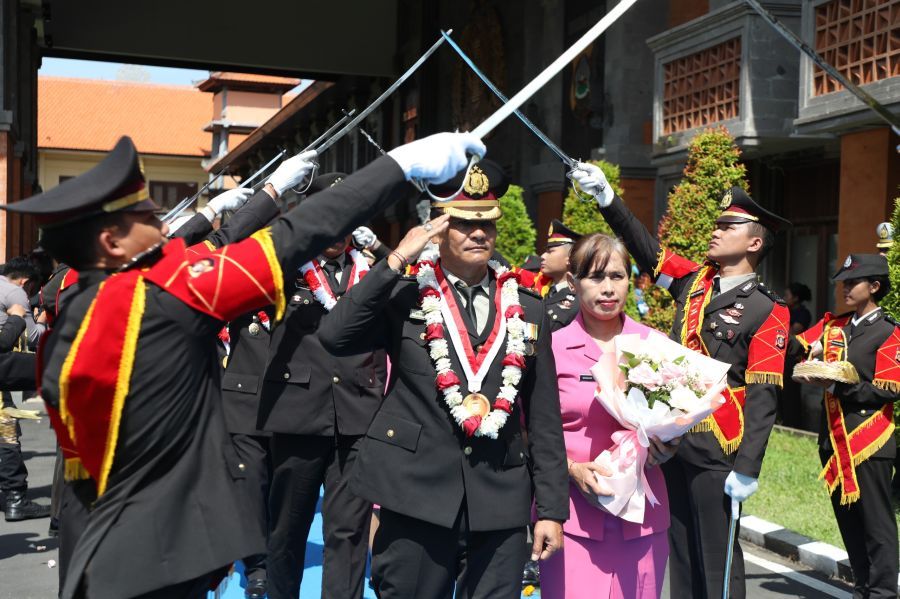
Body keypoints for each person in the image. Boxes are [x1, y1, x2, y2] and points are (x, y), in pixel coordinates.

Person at [4, 131, 482, 599]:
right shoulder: (160, 297)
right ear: (111, 242)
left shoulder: (77, 315)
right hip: (158, 557)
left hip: (97, 549)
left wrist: (272, 193)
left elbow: (213, 249)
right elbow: (293, 237)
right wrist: (400, 165)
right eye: (148, 218)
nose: (165, 226)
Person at [318, 158, 569, 599]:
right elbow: (336, 335)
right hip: (415, 494)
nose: (479, 234)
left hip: (499, 498)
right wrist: (397, 258)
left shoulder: (528, 308)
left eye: (487, 225)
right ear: (436, 228)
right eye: (464, 224)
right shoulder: (404, 294)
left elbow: (544, 417)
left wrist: (550, 510)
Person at [573, 164, 791, 599]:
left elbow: (764, 395)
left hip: (719, 447)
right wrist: (606, 198)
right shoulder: (693, 283)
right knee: (682, 557)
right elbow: (645, 249)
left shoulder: (769, 310)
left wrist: (748, 468)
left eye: (728, 225)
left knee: (717, 562)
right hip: (672, 441)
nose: (716, 230)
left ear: (754, 241)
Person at [253, 172, 392, 599]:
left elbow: (419, 284)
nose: (338, 230)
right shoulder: (287, 267)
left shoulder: (372, 270)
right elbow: (250, 262)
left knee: (348, 533)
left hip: (357, 415)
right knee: (287, 528)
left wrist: (384, 250)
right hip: (298, 415)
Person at [541, 232, 677, 599]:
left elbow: (676, 417)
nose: (607, 288)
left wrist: (669, 446)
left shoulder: (654, 345)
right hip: (571, 516)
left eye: (617, 277)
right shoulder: (550, 349)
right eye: (596, 277)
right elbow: (528, 435)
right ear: (572, 282)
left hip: (643, 521)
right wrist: (572, 469)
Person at [794, 254, 899, 599]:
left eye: (853, 283)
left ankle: (883, 592)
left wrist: (836, 385)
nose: (845, 288)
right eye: (843, 282)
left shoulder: (890, 332)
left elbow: (888, 389)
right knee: (849, 522)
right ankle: (863, 587)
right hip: (833, 441)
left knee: (877, 526)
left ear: (875, 287)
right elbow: (797, 348)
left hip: (869, 440)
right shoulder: (833, 327)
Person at [540, 220, 582, 332]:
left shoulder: (577, 299)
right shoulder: (541, 288)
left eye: (550, 251)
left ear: (570, 257)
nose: (543, 256)